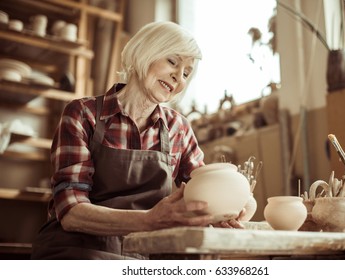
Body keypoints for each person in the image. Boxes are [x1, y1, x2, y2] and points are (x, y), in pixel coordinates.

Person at [31, 21, 245, 260]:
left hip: (145, 251)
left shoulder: (178, 127)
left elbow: (206, 190)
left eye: (186, 73)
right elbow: (71, 213)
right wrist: (149, 220)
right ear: (145, 52)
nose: (178, 77)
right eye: (172, 62)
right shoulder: (83, 114)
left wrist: (227, 207)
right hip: (82, 248)